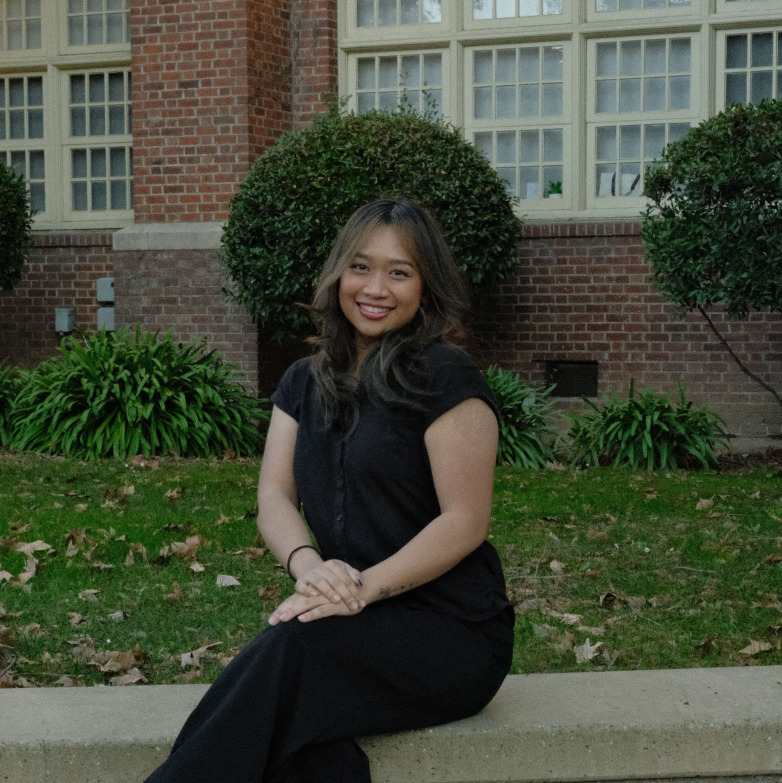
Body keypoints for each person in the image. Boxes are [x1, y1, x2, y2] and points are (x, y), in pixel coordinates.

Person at [144, 198, 514, 783]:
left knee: (290, 651)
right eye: (360, 267)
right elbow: (274, 497)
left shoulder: (446, 377)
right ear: (339, 273)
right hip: (345, 619)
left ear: (426, 286)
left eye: (399, 272)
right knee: (301, 742)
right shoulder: (302, 381)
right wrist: (312, 571)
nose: (375, 288)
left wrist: (359, 590)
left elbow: (464, 521)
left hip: (450, 632)